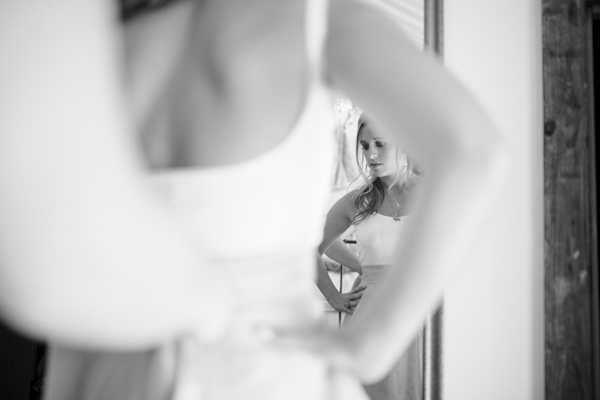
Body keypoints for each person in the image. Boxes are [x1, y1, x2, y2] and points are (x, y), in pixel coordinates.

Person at [0, 0, 509, 399]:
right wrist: (369, 344)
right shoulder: (313, 18)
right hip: (261, 372)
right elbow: (473, 152)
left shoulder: (104, 49)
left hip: (105, 373)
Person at [317, 115, 423, 400]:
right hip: (368, 314)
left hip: (420, 311)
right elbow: (311, 245)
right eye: (364, 146)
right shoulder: (357, 200)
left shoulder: (430, 192)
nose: (371, 155)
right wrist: (333, 296)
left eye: (380, 144)